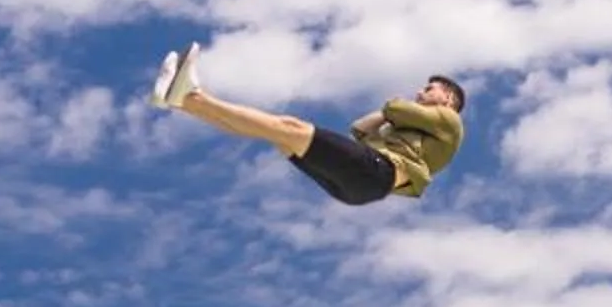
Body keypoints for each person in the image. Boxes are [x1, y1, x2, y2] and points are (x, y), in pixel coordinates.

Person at [148, 45, 466, 205]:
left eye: (429, 89)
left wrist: (394, 109)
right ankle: (182, 101)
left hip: (379, 171)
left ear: (449, 99)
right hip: (362, 187)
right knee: (279, 136)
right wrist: (391, 114)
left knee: (290, 127)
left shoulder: (449, 121)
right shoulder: (418, 128)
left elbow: (394, 107)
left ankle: (191, 96)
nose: (420, 92)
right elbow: (358, 129)